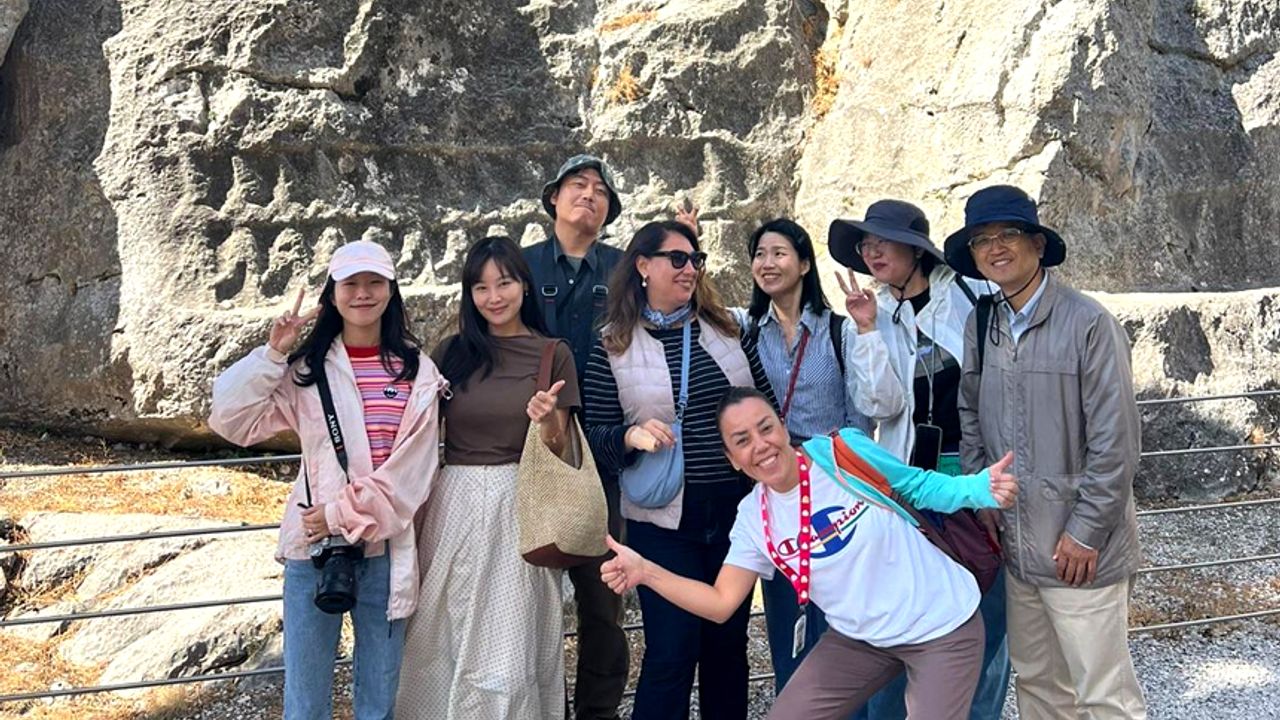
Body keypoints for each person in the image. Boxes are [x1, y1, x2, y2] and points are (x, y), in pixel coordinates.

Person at [600, 387, 1019, 720]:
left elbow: (916, 485)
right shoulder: (755, 518)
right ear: (732, 460)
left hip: (940, 625)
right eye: (742, 441)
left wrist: (976, 488)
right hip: (861, 639)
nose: (761, 445)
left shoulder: (841, 454)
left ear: (783, 426)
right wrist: (646, 571)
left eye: (766, 428)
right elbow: (721, 602)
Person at [208, 240, 446, 720]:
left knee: (379, 700)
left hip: (383, 546)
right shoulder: (306, 370)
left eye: (374, 282)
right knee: (305, 701)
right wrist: (273, 352)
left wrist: (338, 514)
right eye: (350, 283)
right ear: (332, 295)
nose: (363, 293)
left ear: (391, 291)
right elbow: (231, 420)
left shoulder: (417, 372)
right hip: (314, 549)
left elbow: (413, 472)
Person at [944, 185, 1147, 719]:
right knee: (1037, 683)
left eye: (1008, 234)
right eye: (982, 240)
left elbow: (1117, 442)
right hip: (1015, 542)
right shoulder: (982, 323)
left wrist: (1086, 532)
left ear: (1037, 243)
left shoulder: (1089, 323)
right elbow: (969, 415)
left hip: (1079, 551)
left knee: (1104, 693)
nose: (995, 247)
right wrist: (982, 495)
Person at [581, 220, 776, 720]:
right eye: (677, 258)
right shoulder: (613, 344)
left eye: (695, 260)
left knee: (727, 647)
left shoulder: (728, 330)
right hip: (662, 523)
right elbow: (596, 436)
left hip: (735, 512)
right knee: (671, 652)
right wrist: (630, 437)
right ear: (643, 266)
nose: (690, 269)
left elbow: (766, 406)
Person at [828, 200, 1011, 720]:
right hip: (907, 482)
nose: (871, 251)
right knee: (906, 610)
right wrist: (867, 330)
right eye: (865, 244)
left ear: (915, 248)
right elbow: (880, 405)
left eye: (882, 240)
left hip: (974, 471)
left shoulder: (972, 296)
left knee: (984, 608)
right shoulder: (868, 314)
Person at [396, 236, 580, 720]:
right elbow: (418, 431)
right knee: (438, 632)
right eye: (481, 287)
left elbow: (561, 448)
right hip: (451, 501)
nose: (494, 297)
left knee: (512, 641)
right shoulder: (453, 352)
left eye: (505, 283)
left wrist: (548, 420)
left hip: (519, 501)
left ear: (525, 285)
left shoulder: (552, 353)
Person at [731, 218, 897, 695]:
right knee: (788, 616)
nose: (767, 263)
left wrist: (822, 464)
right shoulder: (745, 332)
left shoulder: (839, 331)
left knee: (846, 619)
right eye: (759, 254)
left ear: (804, 263)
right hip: (777, 489)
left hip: (832, 486)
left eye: (779, 253)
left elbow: (862, 416)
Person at [522, 154, 629, 720]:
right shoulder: (520, 265)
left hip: (604, 452)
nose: (589, 195)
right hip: (530, 448)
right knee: (525, 596)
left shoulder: (624, 269)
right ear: (553, 198)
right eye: (577, 185)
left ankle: (596, 712)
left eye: (600, 190)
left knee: (602, 600)